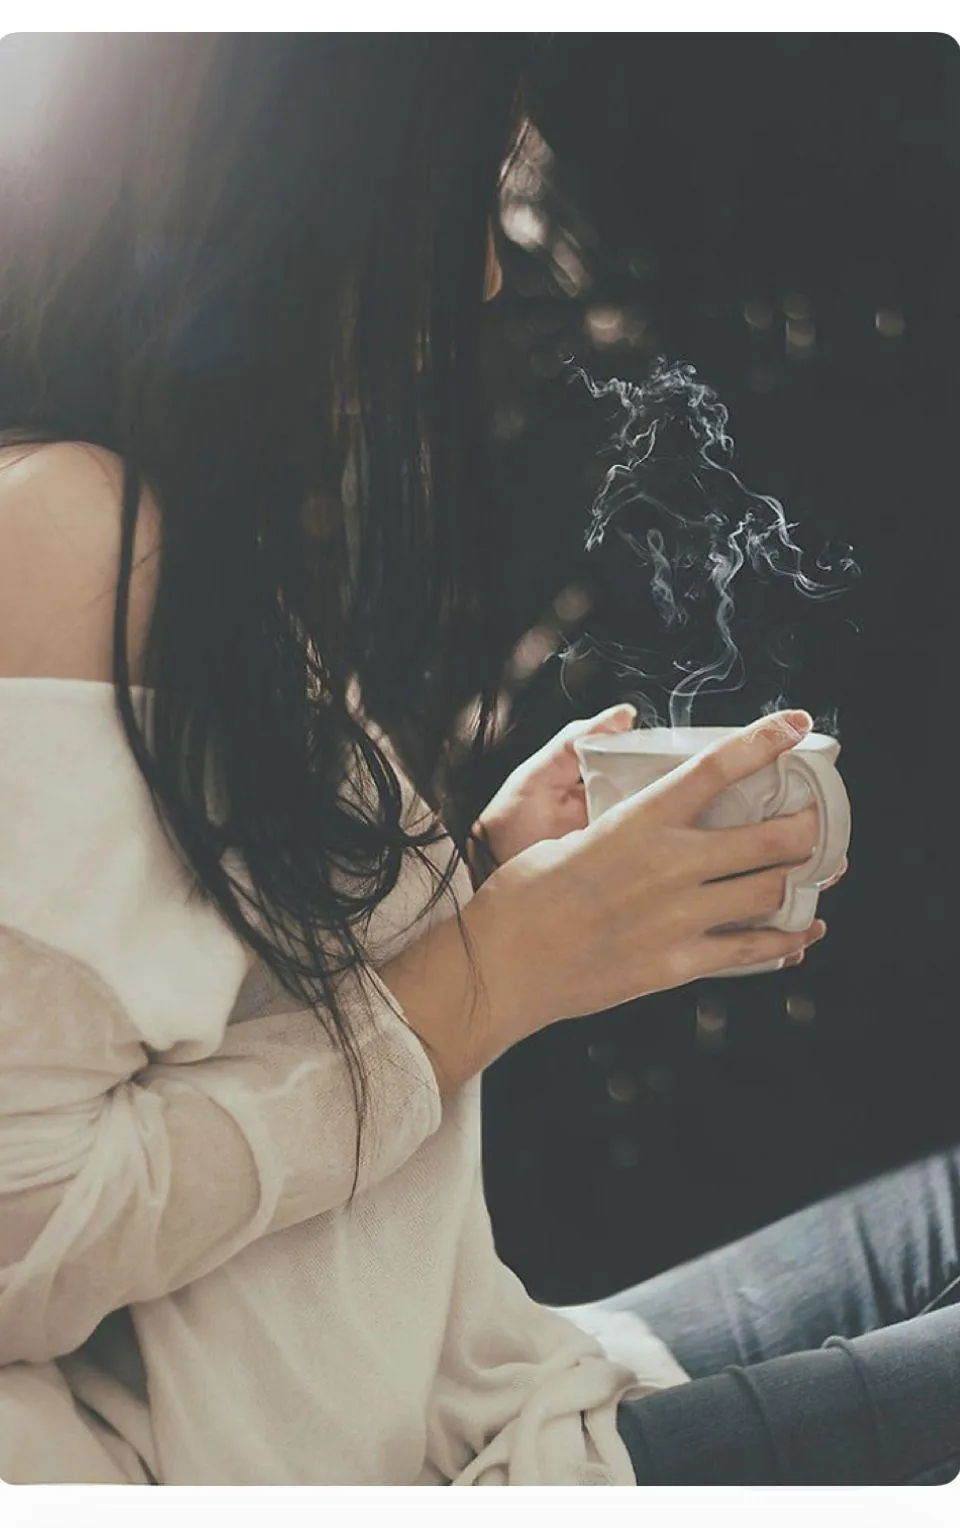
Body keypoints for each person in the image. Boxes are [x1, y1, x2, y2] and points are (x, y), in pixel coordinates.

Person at [0, 33, 956, 1488]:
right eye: (468, 188)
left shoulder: (126, 521)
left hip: (458, 1383)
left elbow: (184, 1012)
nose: (490, 274)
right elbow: (22, 1234)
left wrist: (485, 886)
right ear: (317, 192)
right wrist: (493, 971)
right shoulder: (59, 534)